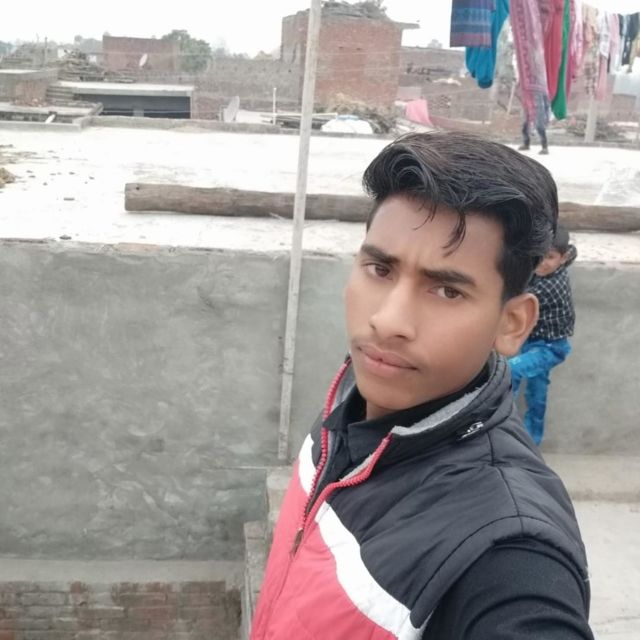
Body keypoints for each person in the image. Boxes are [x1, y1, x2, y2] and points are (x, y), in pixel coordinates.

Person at [250, 132, 592, 640]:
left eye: (447, 290)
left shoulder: (508, 552)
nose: (388, 321)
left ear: (512, 323)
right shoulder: (348, 406)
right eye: (379, 269)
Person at [509, 226, 577, 445]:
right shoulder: (552, 268)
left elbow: (514, 302)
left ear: (562, 258)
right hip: (534, 343)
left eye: (550, 257)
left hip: (550, 348)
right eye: (538, 256)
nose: (541, 263)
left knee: (511, 371)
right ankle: (532, 444)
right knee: (536, 397)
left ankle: (501, 421)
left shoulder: (550, 286)